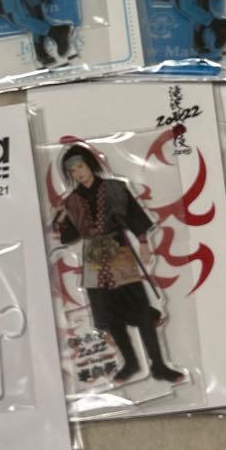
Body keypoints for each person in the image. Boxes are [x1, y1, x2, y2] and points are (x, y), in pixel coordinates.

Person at [53, 145, 183, 384]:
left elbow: (134, 216)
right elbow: (69, 236)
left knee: (141, 310)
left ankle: (159, 364)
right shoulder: (71, 201)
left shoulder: (115, 188)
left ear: (89, 165)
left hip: (119, 251)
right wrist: (62, 218)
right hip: (93, 258)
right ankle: (131, 362)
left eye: (81, 166)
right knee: (110, 314)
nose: (79, 173)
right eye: (73, 171)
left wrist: (143, 243)